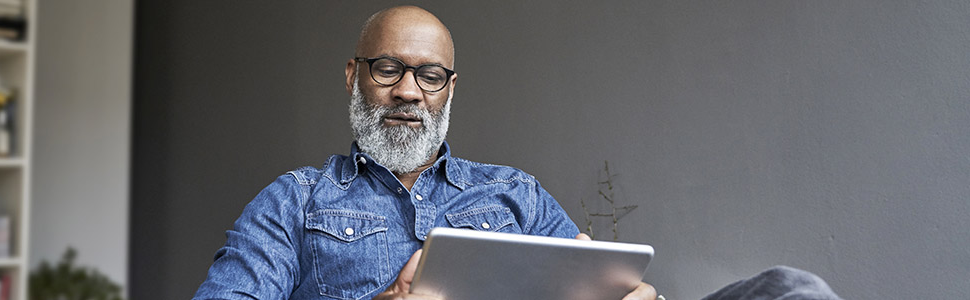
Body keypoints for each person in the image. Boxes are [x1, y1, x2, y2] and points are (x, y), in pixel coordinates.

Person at [193, 6, 841, 300]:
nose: (408, 92)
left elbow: (597, 285)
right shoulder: (296, 200)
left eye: (430, 75)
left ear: (450, 90)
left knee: (793, 291)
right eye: (387, 68)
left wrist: (633, 296)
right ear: (352, 76)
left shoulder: (515, 194)